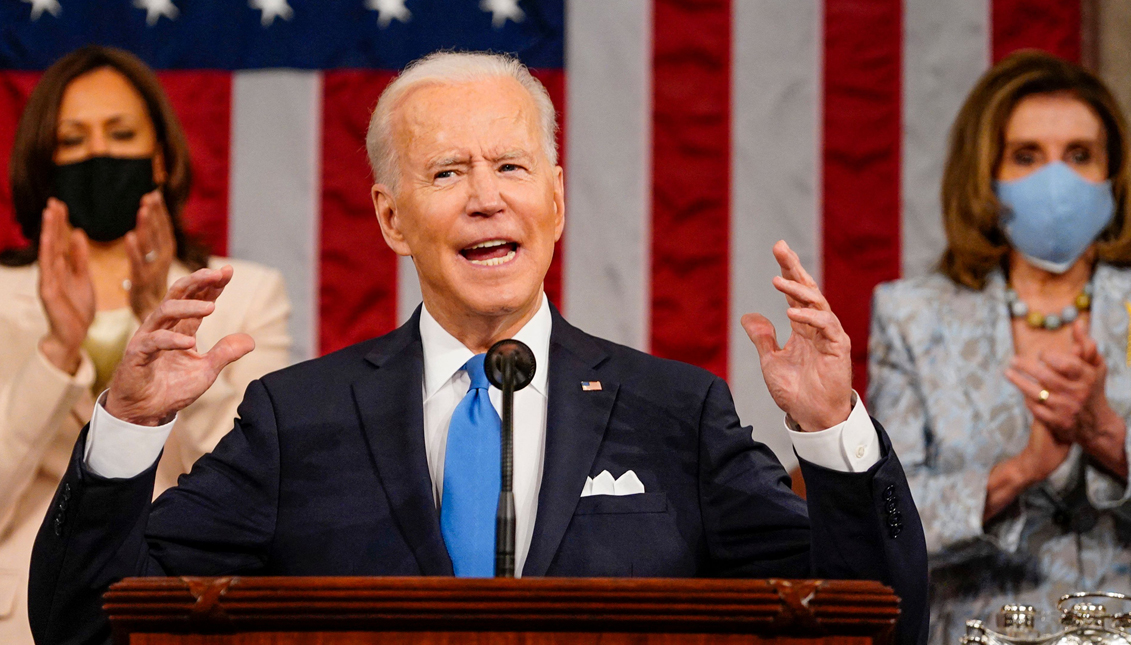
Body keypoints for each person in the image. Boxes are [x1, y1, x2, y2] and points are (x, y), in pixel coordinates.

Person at [30, 51, 928, 645]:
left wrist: (830, 435)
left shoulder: (675, 411)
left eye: (510, 167)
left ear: (558, 199)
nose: (486, 198)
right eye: (447, 172)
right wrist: (128, 426)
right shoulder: (296, 418)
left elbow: (872, 624)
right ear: (390, 217)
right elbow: (86, 627)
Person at [0, 46, 292, 643]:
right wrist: (57, 349)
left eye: (121, 133)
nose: (98, 154)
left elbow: (262, 492)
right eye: (73, 140)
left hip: (184, 612)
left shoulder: (247, 293)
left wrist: (171, 336)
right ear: (44, 161)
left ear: (159, 156)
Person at [869, 51, 1131, 645]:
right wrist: (1021, 471)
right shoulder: (913, 315)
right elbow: (886, 521)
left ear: (1114, 173)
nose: (1056, 181)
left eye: (1080, 155)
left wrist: (1110, 440)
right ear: (985, 174)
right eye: (1027, 156)